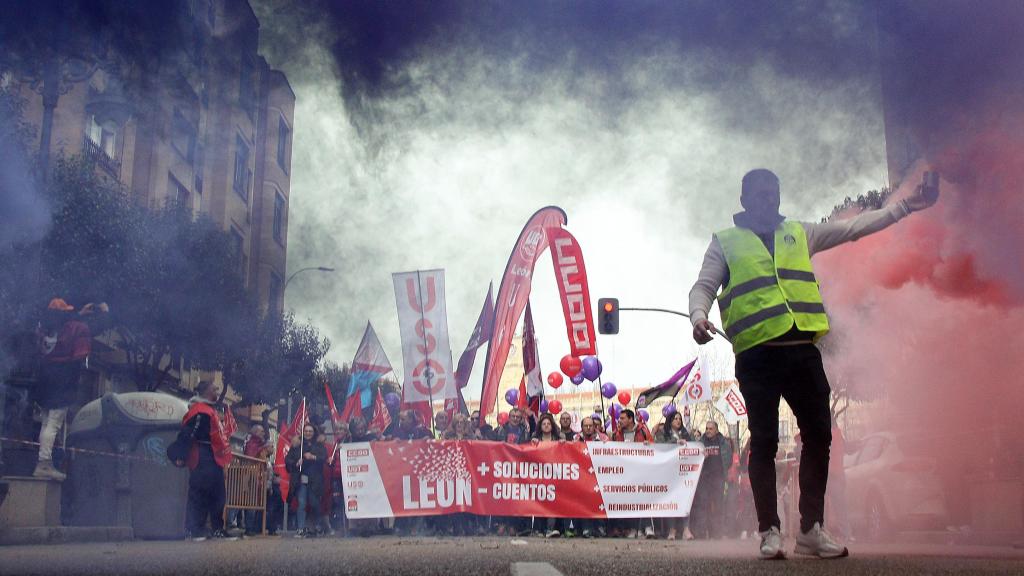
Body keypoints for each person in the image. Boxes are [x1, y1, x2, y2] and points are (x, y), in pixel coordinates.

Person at [688, 168, 937, 558]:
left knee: (820, 435)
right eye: (759, 193)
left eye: (773, 192)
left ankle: (810, 528)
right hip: (757, 354)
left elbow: (854, 227)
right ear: (744, 200)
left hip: (802, 348)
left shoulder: (799, 233)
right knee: (765, 442)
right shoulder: (726, 242)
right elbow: (703, 285)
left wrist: (905, 206)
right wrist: (698, 315)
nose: (768, 199)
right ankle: (770, 531)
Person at [33, 298, 91, 480]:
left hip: (44, 379)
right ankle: (44, 464)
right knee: (54, 423)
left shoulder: (43, 329)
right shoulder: (77, 328)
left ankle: (42, 462)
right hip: (63, 380)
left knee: (45, 423)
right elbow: (80, 354)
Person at [176, 380, 235, 541]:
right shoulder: (199, 411)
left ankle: (217, 528)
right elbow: (188, 434)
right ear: (207, 391)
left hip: (213, 457)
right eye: (215, 388)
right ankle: (193, 529)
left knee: (218, 494)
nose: (218, 391)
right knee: (199, 494)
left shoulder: (210, 410)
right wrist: (181, 455)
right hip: (201, 457)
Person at [612, 409, 655, 538]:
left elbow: (654, 447)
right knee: (630, 501)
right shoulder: (616, 434)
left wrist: (649, 444)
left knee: (644, 498)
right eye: (620, 418)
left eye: (623, 418)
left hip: (642, 470)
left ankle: (647, 527)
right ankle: (633, 528)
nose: (620, 420)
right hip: (625, 473)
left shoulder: (642, 430)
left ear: (631, 419)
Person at [691, 420, 732, 540]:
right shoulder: (700, 443)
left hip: (718, 479)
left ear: (716, 430)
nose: (708, 431)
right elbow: (694, 456)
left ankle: (717, 533)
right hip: (704, 478)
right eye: (707, 428)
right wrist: (701, 456)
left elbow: (728, 460)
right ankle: (702, 533)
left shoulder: (724, 443)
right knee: (702, 505)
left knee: (718, 505)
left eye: (710, 429)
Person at [657, 411, 694, 540]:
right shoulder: (663, 433)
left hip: (684, 473)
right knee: (672, 501)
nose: (678, 421)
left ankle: (686, 529)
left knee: (685, 500)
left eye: (680, 418)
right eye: (675, 418)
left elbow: (694, 445)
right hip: (670, 472)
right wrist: (675, 442)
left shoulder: (685, 433)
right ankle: (672, 530)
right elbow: (660, 446)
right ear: (670, 420)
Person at [286, 423, 327, 538]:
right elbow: (288, 460)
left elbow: (324, 457)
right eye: (306, 431)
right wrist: (296, 463)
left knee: (315, 503)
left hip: (315, 479)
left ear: (314, 432)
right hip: (300, 479)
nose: (308, 433)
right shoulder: (297, 444)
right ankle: (300, 528)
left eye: (310, 431)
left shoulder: (319, 444)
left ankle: (319, 526)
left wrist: (313, 457)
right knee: (302, 503)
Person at [242, 423, 267, 536]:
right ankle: (249, 527)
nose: (263, 433)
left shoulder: (257, 443)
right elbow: (251, 457)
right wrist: (263, 448)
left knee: (254, 501)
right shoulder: (253, 443)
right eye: (261, 431)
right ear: (256, 432)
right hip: (252, 475)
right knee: (251, 502)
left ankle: (252, 527)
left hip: (257, 475)